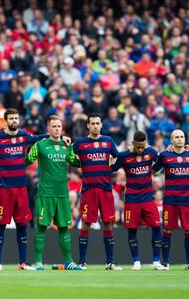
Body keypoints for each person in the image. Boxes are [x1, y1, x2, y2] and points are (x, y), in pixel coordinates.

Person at [0, 108, 70, 270]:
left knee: (22, 224)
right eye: (11, 118)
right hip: (3, 188)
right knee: (1, 225)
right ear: (6, 121)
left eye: (16, 118)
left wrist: (61, 137)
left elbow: (41, 137)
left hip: (20, 188)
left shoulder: (24, 136)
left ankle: (23, 262)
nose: (14, 121)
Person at [26, 115, 82, 270]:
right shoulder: (40, 145)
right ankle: (38, 262)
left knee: (64, 228)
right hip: (46, 193)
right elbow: (26, 161)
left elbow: (76, 162)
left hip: (63, 193)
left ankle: (68, 262)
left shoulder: (66, 146)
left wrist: (82, 153)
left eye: (59, 126)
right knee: (41, 227)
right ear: (48, 128)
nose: (57, 129)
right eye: (54, 126)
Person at [72, 113, 122, 270]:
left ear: (101, 125)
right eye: (92, 123)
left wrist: (112, 168)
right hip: (88, 190)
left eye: (97, 123)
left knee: (107, 224)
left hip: (106, 189)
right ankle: (82, 262)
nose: (95, 126)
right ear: (88, 125)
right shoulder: (80, 143)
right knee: (85, 224)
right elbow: (68, 154)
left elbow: (119, 157)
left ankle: (110, 262)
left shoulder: (108, 141)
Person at [111, 131, 165, 270]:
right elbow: (113, 168)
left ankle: (156, 261)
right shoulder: (124, 155)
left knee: (156, 228)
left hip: (148, 198)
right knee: (132, 230)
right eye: (138, 147)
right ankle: (136, 261)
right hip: (132, 199)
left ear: (145, 143)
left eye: (143, 147)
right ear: (133, 143)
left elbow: (160, 163)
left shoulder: (151, 152)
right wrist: (107, 159)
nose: (140, 150)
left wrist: (169, 150)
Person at [153, 129, 189, 270]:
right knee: (167, 230)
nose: (180, 139)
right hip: (170, 200)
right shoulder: (164, 155)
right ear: (172, 140)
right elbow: (152, 170)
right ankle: (166, 263)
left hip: (187, 200)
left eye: (182, 136)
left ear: (185, 139)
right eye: (177, 137)